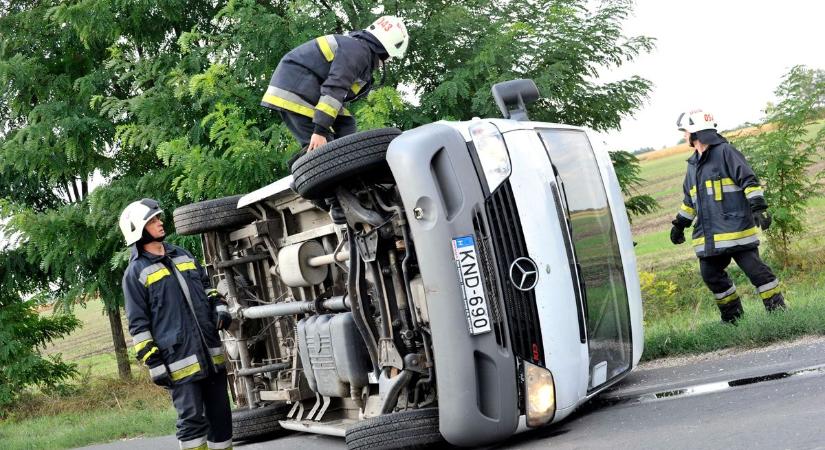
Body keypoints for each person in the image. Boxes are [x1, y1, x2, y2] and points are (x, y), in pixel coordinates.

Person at [120, 199, 234, 450]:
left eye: (158, 218)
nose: (160, 223)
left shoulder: (182, 254)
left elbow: (208, 288)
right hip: (178, 362)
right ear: (137, 230)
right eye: (152, 221)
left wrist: (220, 307)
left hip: (211, 354)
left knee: (222, 420)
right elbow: (138, 325)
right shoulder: (135, 272)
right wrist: (154, 363)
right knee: (192, 422)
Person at [670, 110, 786, 323]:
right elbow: (690, 200)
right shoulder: (693, 164)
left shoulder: (726, 152)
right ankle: (734, 319)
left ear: (695, 132)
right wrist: (680, 224)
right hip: (710, 237)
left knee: (757, 273)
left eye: (686, 131)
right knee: (711, 275)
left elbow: (749, 181)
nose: (684, 135)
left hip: (737, 230)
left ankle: (779, 314)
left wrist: (759, 208)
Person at [260, 15, 409, 155]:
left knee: (346, 125)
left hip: (307, 87)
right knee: (324, 149)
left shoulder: (358, 50)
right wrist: (320, 130)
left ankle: (352, 171)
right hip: (295, 89)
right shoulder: (357, 52)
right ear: (386, 49)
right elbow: (336, 87)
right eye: (391, 56)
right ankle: (303, 178)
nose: (389, 60)